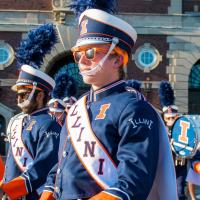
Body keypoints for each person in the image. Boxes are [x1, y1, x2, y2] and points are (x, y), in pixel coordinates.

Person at [40, 0, 177, 199]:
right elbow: (60, 167)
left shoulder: (134, 108)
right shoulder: (77, 108)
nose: (82, 60)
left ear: (117, 59)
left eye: (90, 52)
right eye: (78, 54)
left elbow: (132, 183)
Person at [0, 23, 61, 200]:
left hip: (32, 195)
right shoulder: (19, 121)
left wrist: (12, 188)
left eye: (24, 94)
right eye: (18, 94)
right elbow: (12, 160)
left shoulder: (49, 124)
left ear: (40, 95)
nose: (19, 99)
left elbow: (44, 166)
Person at [159, 81, 188, 200]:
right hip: (166, 164)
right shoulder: (161, 129)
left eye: (173, 117)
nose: (171, 120)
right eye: (168, 118)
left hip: (180, 163)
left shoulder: (183, 128)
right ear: (165, 118)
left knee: (180, 191)